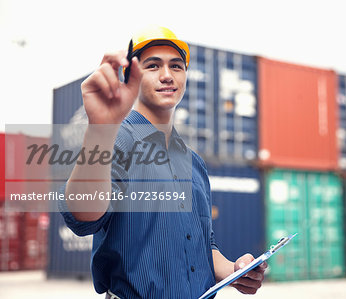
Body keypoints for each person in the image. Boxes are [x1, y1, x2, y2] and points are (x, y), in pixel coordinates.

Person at [60, 25, 266, 299]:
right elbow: (82, 217)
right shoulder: (115, 140)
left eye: (176, 66)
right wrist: (100, 128)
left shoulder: (194, 163)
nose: (167, 75)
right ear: (130, 76)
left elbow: (203, 246)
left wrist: (235, 270)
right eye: (153, 66)